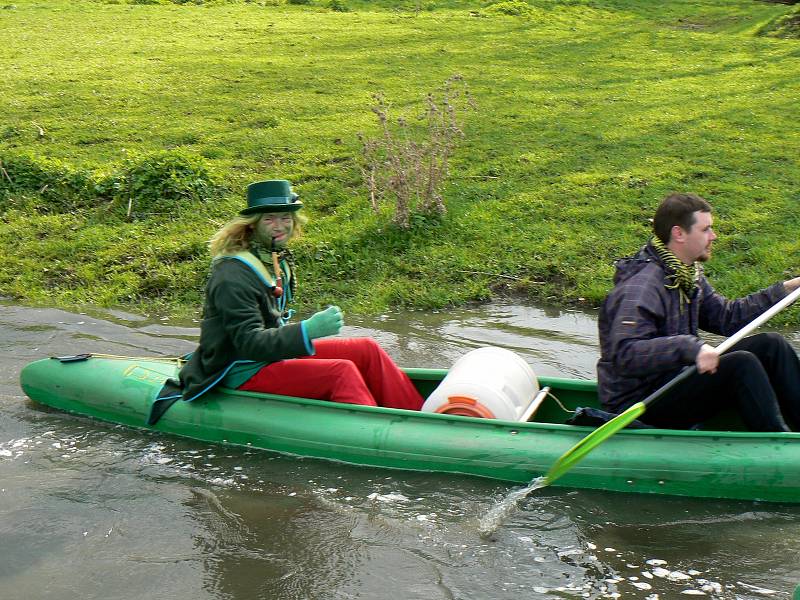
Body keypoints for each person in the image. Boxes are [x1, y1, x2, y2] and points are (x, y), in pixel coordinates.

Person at [174, 179, 425, 411]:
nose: (280, 226)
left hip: (268, 357)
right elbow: (249, 344)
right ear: (253, 224)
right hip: (239, 367)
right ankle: (377, 435)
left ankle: (418, 416)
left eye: (286, 217)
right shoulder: (231, 276)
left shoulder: (271, 258)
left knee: (366, 349)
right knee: (341, 372)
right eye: (270, 219)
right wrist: (307, 330)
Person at [597, 192, 800, 431]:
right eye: (705, 230)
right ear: (679, 233)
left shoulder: (684, 274)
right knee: (741, 365)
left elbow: (727, 317)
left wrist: (788, 289)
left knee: (771, 345)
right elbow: (625, 354)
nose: (713, 236)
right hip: (640, 403)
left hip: (673, 380)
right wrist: (690, 347)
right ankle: (780, 446)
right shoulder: (641, 287)